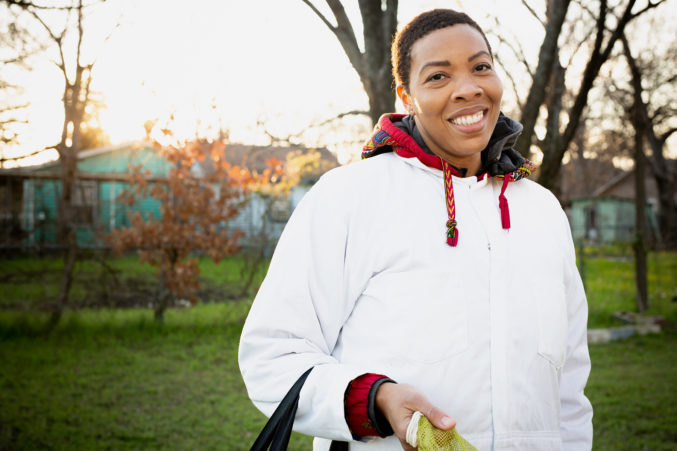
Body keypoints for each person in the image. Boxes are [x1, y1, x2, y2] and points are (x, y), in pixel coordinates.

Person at [239, 8, 592, 451]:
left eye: (480, 67)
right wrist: (375, 400)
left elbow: (570, 385)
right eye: (439, 77)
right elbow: (272, 356)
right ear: (406, 96)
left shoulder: (542, 212)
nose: (469, 88)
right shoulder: (348, 197)